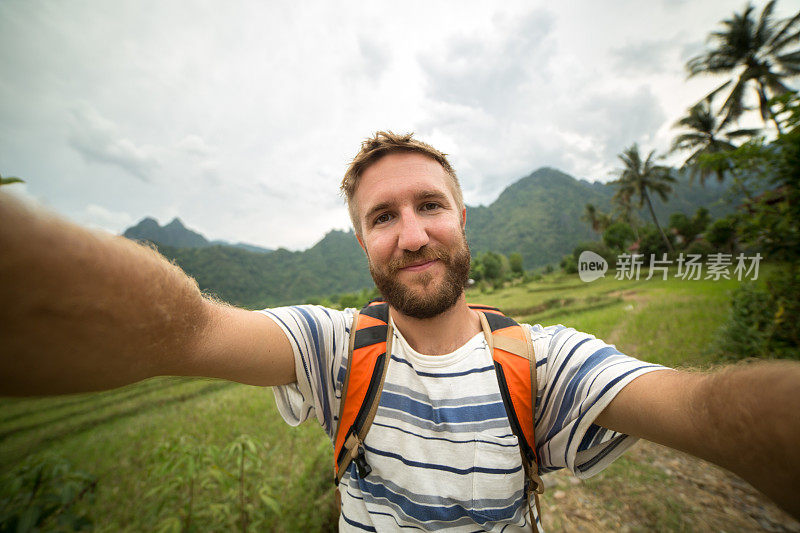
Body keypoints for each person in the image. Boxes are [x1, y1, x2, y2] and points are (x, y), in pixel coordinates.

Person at [0, 131, 798, 532]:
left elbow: (703, 412)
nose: (411, 235)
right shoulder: (336, 349)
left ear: (461, 219)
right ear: (360, 242)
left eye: (429, 205)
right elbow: (185, 329)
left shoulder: (544, 361)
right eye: (383, 216)